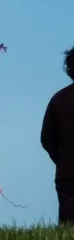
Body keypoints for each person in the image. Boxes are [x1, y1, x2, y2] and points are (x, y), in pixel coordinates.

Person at [40, 46, 74, 226]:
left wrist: (62, 158)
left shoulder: (58, 99)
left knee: (68, 227)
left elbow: (47, 139)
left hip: (67, 171)